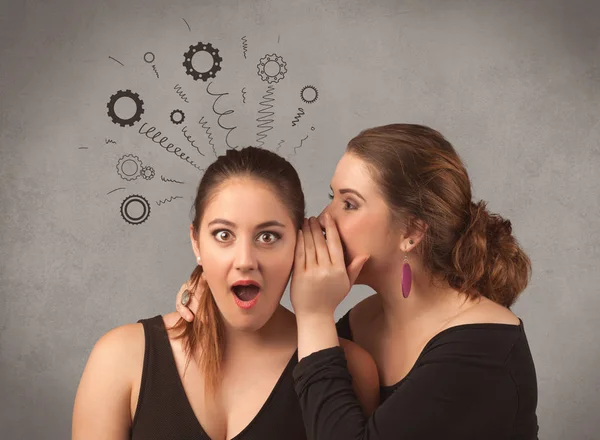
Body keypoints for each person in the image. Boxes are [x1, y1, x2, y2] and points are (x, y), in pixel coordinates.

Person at [178, 125, 540, 439]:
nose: (323, 220)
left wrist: (317, 315)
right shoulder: (364, 321)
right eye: (331, 197)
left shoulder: (482, 351)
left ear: (411, 232)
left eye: (349, 204)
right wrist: (212, 282)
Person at [72, 147, 379, 440]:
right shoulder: (120, 359)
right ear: (196, 243)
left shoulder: (353, 371)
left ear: (300, 245)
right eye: (223, 235)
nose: (245, 260)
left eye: (268, 236)